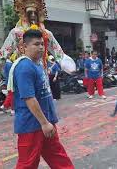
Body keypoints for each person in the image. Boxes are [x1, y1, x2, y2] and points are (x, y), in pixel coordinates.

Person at [10, 29, 74, 168]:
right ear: (24, 46)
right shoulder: (24, 67)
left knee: (59, 158)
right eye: (36, 44)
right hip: (31, 125)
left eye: (42, 44)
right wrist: (44, 123)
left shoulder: (38, 64)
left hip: (46, 123)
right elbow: (29, 98)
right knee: (28, 163)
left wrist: (48, 122)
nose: (40, 47)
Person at [0, 0, 76, 81]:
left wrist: (66, 63)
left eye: (35, 13)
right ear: (24, 14)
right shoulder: (16, 33)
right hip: (23, 72)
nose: (33, 15)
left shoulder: (46, 33)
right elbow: (3, 54)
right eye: (30, 13)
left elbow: (58, 53)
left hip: (42, 73)